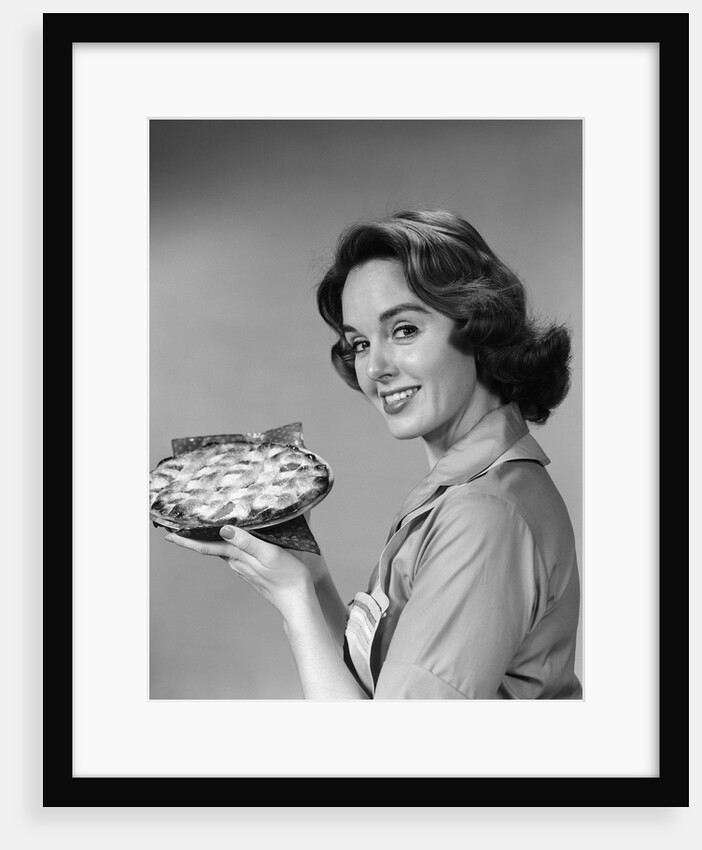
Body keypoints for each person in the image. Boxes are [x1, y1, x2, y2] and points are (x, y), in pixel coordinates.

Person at [165, 208, 582, 700]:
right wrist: (311, 578)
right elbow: (379, 688)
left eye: (403, 330)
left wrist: (294, 601)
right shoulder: (469, 487)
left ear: (477, 326)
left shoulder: (485, 516)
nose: (375, 367)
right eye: (358, 343)